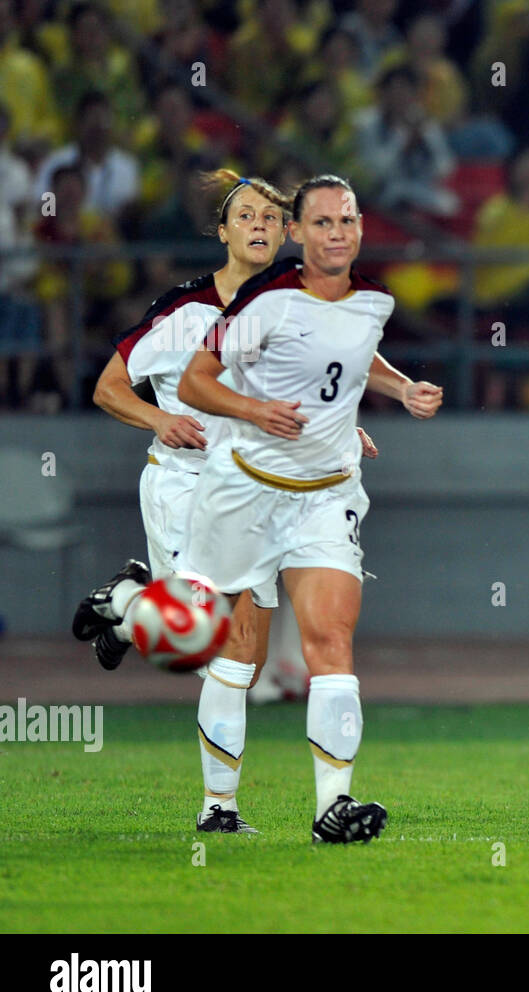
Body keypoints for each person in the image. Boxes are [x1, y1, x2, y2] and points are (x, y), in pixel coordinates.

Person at [175, 174, 442, 844]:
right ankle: (218, 805)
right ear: (296, 232)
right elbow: (195, 382)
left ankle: (334, 807)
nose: (338, 233)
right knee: (239, 658)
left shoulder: (373, 301)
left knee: (332, 639)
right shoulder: (266, 303)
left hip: (326, 494)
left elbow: (348, 357)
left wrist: (401, 389)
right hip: (246, 493)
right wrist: (254, 408)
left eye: (347, 220)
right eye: (322, 222)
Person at [70, 170, 296, 836]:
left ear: (285, 232)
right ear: (222, 232)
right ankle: (128, 603)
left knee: (244, 653)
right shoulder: (183, 312)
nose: (259, 224)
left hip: (251, 493)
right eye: (245, 215)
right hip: (185, 485)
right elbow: (109, 387)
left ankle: (219, 810)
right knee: (203, 642)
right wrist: (157, 419)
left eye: (271, 216)